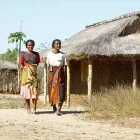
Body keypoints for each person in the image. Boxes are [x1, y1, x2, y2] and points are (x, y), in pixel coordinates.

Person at [47, 39, 67, 115]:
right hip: (52, 73)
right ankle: (54, 107)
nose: (58, 45)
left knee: (61, 90)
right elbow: (48, 65)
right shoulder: (49, 54)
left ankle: (59, 109)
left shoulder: (63, 54)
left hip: (60, 73)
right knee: (52, 90)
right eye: (57, 44)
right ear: (53, 45)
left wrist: (63, 75)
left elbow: (64, 65)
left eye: (59, 44)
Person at [20, 39, 40, 114]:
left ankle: (34, 108)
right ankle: (28, 108)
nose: (30, 46)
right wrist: (27, 70)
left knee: (35, 91)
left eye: (31, 45)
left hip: (34, 74)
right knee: (27, 91)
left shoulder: (36, 54)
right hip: (26, 75)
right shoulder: (23, 55)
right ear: (26, 46)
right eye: (29, 45)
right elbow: (22, 64)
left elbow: (37, 63)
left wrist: (32, 69)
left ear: (34, 45)